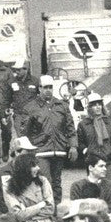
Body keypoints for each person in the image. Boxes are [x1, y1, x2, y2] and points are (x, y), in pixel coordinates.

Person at [20, 75, 77, 205]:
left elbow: (70, 127)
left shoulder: (61, 106)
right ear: (39, 88)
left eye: (50, 87)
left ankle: (55, 210)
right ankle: (47, 208)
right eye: (45, 87)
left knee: (57, 182)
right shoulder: (30, 107)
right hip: (41, 151)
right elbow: (25, 132)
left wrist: (73, 146)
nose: (48, 90)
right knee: (45, 181)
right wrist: (28, 150)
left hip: (59, 150)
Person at [3, 151, 56, 222]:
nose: (38, 168)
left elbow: (50, 209)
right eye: (33, 165)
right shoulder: (9, 186)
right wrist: (41, 205)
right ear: (24, 168)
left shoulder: (43, 181)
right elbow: (18, 214)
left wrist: (27, 210)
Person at [0, 136, 39, 217]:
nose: (30, 155)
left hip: (31, 217)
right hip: (9, 220)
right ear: (17, 153)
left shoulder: (35, 171)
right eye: (27, 152)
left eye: (31, 152)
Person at [77, 92, 111, 181]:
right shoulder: (83, 124)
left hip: (108, 160)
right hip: (92, 161)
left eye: (99, 104)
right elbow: (80, 141)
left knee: (109, 187)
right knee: (94, 188)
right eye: (94, 105)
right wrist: (86, 150)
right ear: (89, 108)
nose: (98, 107)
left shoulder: (109, 122)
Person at [70, 146, 111, 218]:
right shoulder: (77, 186)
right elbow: (75, 209)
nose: (105, 169)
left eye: (105, 166)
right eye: (101, 166)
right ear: (91, 168)